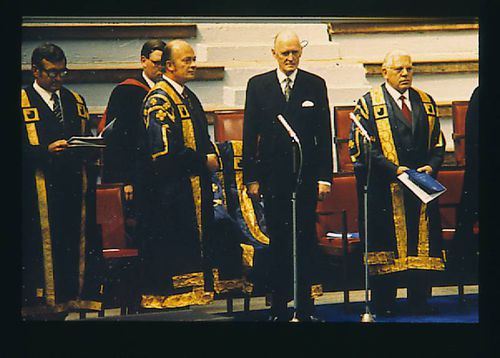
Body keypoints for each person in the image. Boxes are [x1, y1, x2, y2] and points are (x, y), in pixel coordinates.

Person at [242, 30, 333, 322]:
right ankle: (279, 305)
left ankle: (305, 305)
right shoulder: (258, 86)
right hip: (273, 178)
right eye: (285, 53)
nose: (291, 58)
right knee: (279, 240)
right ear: (274, 54)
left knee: (305, 239)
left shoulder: (315, 84)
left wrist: (324, 177)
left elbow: (324, 134)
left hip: (306, 178)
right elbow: (249, 134)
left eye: (295, 52)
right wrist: (251, 178)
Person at [349, 50, 446, 316]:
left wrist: (432, 166)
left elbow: (439, 143)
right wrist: (394, 170)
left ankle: (419, 299)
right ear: (384, 72)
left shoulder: (426, 102)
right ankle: (384, 301)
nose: (405, 74)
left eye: (409, 69)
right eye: (399, 69)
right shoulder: (368, 104)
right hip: (386, 188)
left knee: (420, 244)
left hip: (421, 186)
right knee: (387, 246)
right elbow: (362, 148)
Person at [22, 43, 103, 320]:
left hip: (72, 190)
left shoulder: (74, 101)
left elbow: (86, 136)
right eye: (52, 72)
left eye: (62, 72)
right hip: (37, 193)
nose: (58, 78)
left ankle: (67, 307)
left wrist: (93, 148)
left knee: (70, 252)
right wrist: (44, 151)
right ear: (35, 71)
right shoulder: (21, 102)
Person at [139, 40, 219, 309]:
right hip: (171, 192)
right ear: (169, 66)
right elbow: (163, 152)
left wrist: (213, 156)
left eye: (194, 58)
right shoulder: (159, 99)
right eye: (187, 60)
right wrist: (202, 161)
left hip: (194, 186)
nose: (193, 64)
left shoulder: (188, 95)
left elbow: (202, 138)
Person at [100, 39, 166, 247]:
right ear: (143, 61)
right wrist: (124, 180)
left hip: (160, 175)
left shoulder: (168, 91)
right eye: (156, 63)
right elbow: (117, 140)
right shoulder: (127, 92)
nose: (161, 68)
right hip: (135, 176)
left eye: (165, 63)